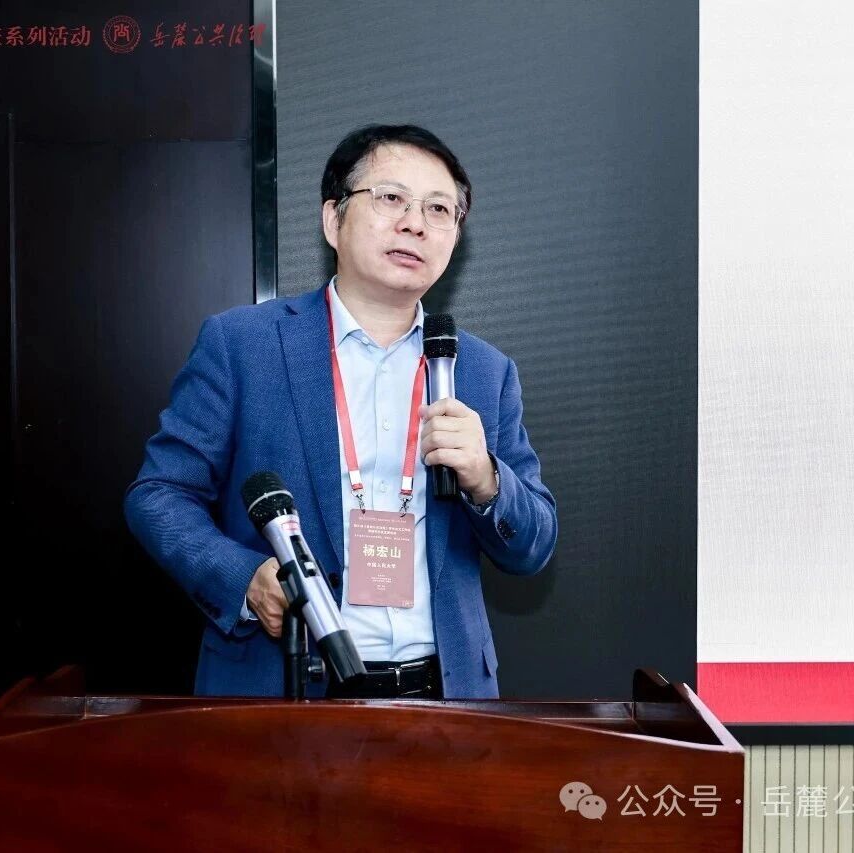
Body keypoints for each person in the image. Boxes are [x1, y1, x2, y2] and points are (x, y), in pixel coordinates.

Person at [124, 124, 557, 699]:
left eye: (439, 209)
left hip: (444, 695)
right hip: (281, 687)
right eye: (391, 198)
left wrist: (487, 481)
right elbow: (159, 494)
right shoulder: (243, 345)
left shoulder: (484, 370)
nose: (415, 223)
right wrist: (245, 579)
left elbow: (534, 546)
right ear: (333, 219)